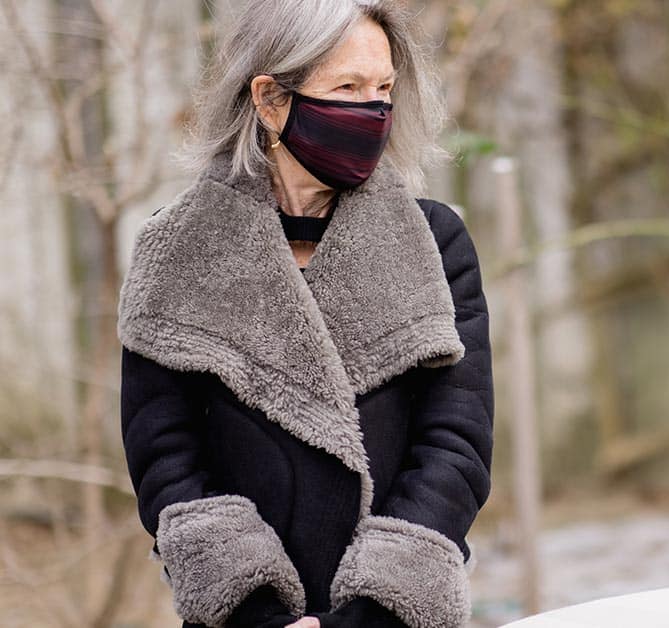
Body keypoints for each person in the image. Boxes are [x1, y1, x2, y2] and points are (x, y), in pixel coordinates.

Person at [117, 1, 493, 626]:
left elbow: (457, 444)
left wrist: (376, 608)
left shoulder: (433, 241)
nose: (373, 110)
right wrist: (254, 609)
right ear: (269, 100)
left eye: (384, 89)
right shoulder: (179, 249)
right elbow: (165, 459)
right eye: (347, 88)